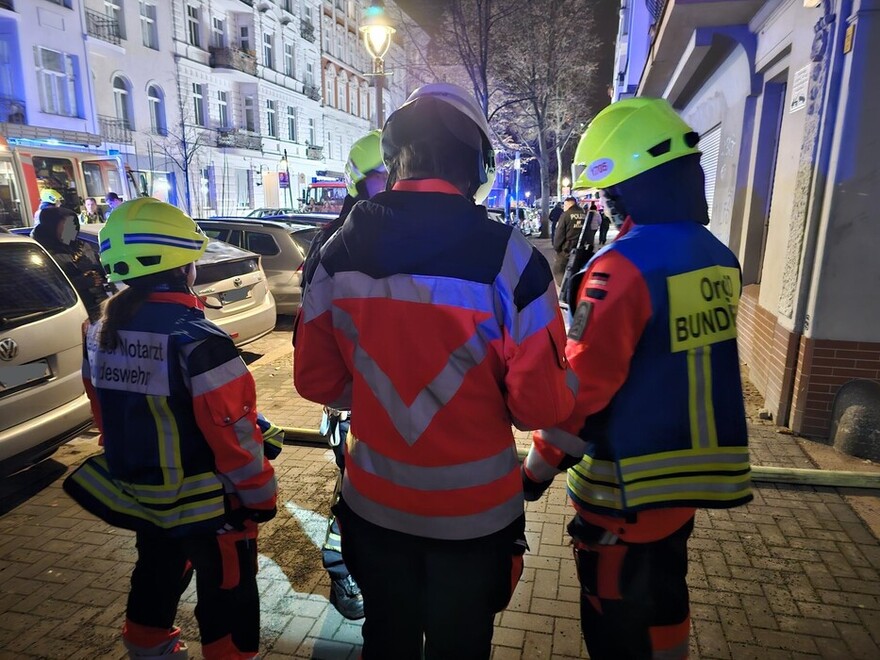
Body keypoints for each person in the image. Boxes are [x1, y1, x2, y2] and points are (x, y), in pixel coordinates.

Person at [293, 82, 576, 659]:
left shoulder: (333, 254)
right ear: (476, 166)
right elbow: (540, 407)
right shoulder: (515, 261)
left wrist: (377, 390)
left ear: (395, 159)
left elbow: (314, 381)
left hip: (373, 508)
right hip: (475, 522)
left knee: (387, 643)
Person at [522, 97, 752, 659]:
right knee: (665, 606)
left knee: (616, 620)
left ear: (631, 188)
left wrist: (534, 473)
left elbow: (582, 388)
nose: (603, 204)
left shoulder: (620, 268)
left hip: (623, 494)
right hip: (684, 490)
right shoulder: (719, 258)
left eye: (609, 192)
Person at [63, 198, 277, 660]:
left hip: (146, 498)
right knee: (228, 592)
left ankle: (148, 649)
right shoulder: (200, 339)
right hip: (212, 506)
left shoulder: (97, 331)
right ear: (185, 268)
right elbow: (234, 435)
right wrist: (260, 495)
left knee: (155, 576)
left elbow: (107, 412)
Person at [297, 128, 388, 621]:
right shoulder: (339, 246)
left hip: (373, 398)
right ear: (360, 182)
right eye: (383, 177)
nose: (394, 184)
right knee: (353, 494)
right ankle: (341, 572)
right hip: (351, 404)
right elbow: (313, 346)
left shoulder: (373, 236)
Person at [31, 206, 113, 322]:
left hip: (102, 307)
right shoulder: (43, 254)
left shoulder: (83, 246)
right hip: (75, 314)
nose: (72, 229)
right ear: (52, 227)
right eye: (66, 225)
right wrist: (81, 281)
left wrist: (100, 270)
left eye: (74, 224)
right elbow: (47, 290)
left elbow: (102, 272)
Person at [552, 196, 586, 284]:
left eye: (565, 205)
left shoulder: (566, 215)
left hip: (567, 249)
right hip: (581, 248)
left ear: (569, 204)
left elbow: (559, 233)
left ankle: (565, 288)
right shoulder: (583, 214)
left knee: (558, 270)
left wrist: (557, 247)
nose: (564, 207)